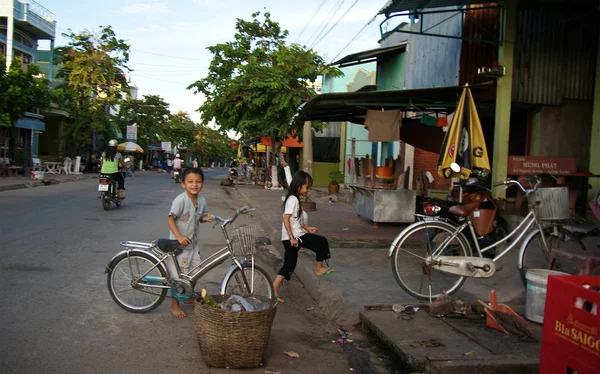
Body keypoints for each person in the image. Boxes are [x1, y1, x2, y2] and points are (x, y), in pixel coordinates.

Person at [272, 171, 335, 303]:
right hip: (295, 238)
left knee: (289, 265)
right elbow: (286, 218)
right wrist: (291, 238)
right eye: (307, 186)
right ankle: (318, 269)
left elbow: (297, 219)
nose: (308, 189)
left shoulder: (295, 199)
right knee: (321, 242)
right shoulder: (293, 199)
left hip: (295, 236)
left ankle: (273, 290)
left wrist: (307, 228)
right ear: (299, 185)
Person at [167, 168, 213, 318]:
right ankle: (174, 304)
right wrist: (179, 236)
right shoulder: (180, 200)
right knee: (179, 276)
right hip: (179, 246)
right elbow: (170, 218)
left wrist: (206, 218)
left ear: (203, 184)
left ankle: (187, 296)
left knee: (195, 271)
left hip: (193, 244)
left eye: (198, 181)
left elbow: (199, 217)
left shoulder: (201, 200)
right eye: (190, 182)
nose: (194, 185)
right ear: (183, 184)